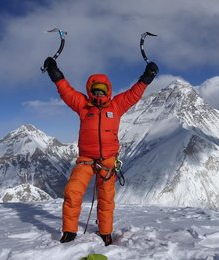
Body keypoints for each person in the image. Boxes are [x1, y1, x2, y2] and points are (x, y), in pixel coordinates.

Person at [43, 56, 158, 246]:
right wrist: (54, 73)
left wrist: (147, 77)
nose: (98, 92)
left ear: (108, 90)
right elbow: (66, 91)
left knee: (106, 199)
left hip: (108, 161)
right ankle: (69, 231)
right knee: (72, 191)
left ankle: (105, 232)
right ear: (89, 90)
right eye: (95, 89)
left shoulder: (116, 105)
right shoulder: (82, 105)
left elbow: (134, 94)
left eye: (102, 89)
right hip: (86, 159)